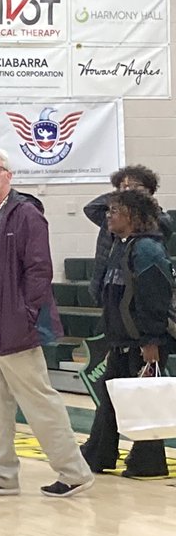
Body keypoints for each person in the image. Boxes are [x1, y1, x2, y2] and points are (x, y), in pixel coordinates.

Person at [0, 149, 95, 499]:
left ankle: (74, 472)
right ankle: (2, 474)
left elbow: (39, 270)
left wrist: (26, 314)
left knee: (38, 400)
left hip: (14, 326)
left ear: (9, 174)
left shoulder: (25, 214)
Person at [81, 189, 172, 478]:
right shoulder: (121, 245)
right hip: (122, 340)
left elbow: (153, 298)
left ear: (133, 216)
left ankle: (148, 463)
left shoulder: (147, 249)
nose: (108, 216)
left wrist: (151, 341)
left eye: (115, 211)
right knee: (110, 398)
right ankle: (98, 454)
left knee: (143, 401)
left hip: (143, 340)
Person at [84, 165, 172, 306]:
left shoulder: (156, 221)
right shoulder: (113, 218)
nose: (127, 190)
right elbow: (91, 208)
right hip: (108, 282)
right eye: (122, 187)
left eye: (134, 186)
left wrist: (134, 198)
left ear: (149, 190)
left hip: (133, 290)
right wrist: (121, 196)